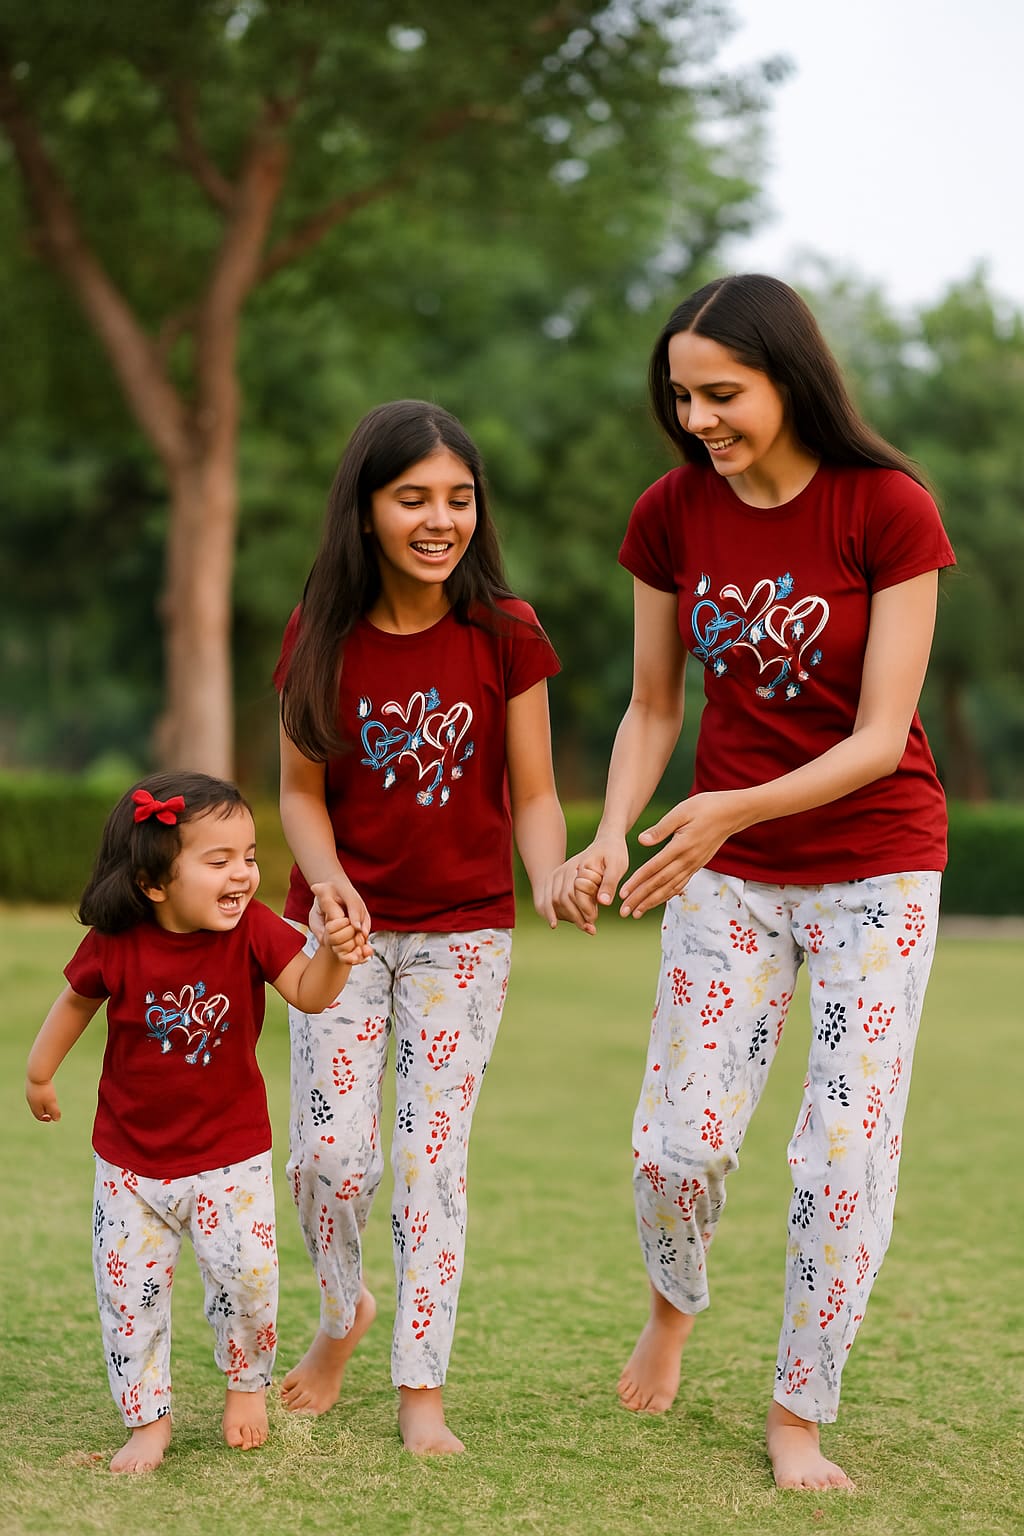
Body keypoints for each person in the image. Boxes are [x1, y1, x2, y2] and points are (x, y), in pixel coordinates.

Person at [552, 274, 955, 1491]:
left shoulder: (886, 509)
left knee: (843, 1155)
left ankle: (797, 1414)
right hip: (728, 876)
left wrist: (729, 807)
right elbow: (653, 703)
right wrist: (610, 828)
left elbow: (880, 737)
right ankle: (675, 1303)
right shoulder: (671, 512)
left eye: (721, 393)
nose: (698, 419)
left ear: (790, 379)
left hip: (877, 865)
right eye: (680, 397)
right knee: (678, 1145)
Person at [274, 399, 565, 1454]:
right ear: (365, 512)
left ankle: (420, 1388)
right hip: (339, 933)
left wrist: (546, 878)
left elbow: (532, 795)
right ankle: (344, 1308)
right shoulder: (320, 631)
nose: (438, 519)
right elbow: (299, 793)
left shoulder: (506, 632)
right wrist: (328, 882)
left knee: (429, 1162)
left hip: (462, 936)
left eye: (457, 498)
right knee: (327, 1159)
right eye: (412, 499)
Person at [25, 771, 365, 1475]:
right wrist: (38, 1072)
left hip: (230, 1157)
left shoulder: (255, 931)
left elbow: (309, 993)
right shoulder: (117, 942)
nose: (243, 873)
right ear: (154, 882)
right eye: (220, 860)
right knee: (129, 1299)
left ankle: (246, 1386)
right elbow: (74, 1004)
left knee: (247, 1280)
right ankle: (148, 1422)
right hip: (129, 1164)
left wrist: (334, 953)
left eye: (249, 856)